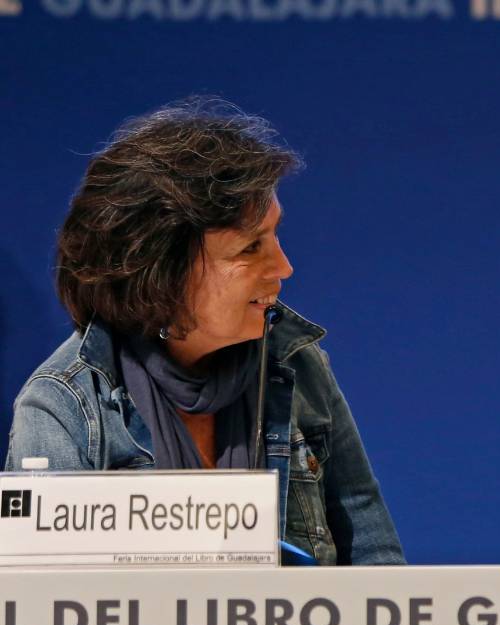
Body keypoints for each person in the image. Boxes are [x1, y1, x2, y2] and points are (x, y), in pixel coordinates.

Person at [4, 98, 405, 566]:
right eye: (250, 248)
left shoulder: (296, 364)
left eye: (274, 236)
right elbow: (49, 597)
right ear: (160, 271)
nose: (284, 267)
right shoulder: (64, 405)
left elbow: (375, 561)